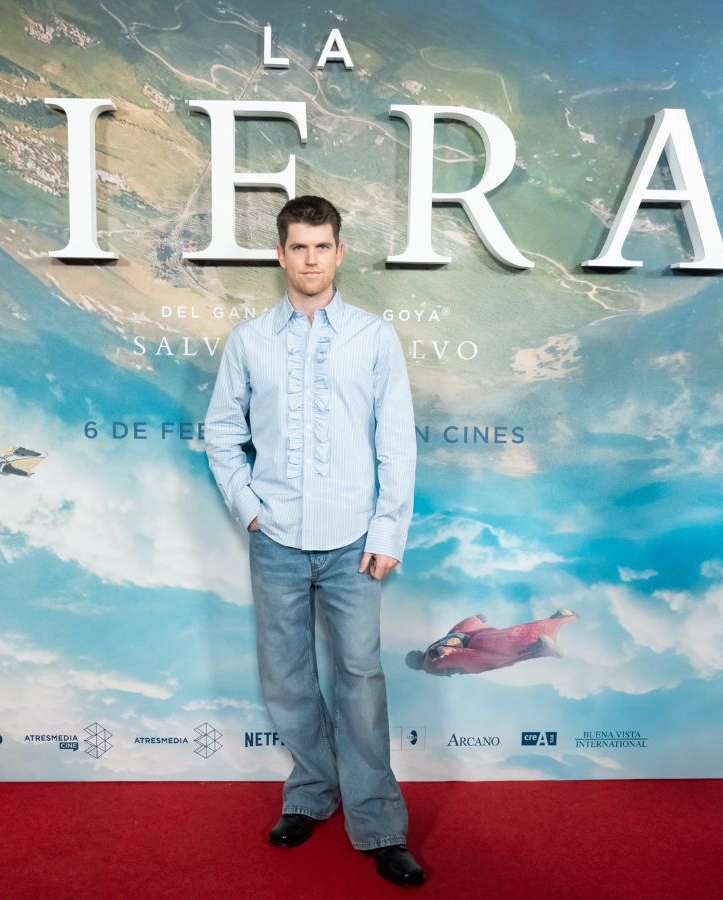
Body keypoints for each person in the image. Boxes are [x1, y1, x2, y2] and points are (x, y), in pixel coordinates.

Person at [204, 196, 423, 887]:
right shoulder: (249, 341)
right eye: (297, 247)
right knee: (288, 678)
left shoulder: (373, 336)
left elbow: (396, 442)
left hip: (354, 540)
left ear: (338, 252)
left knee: (360, 679)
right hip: (276, 538)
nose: (309, 259)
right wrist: (250, 509)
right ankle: (310, 795)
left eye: (321, 247)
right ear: (280, 254)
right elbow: (219, 432)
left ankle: (379, 826)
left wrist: (389, 529)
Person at [405, 610, 579, 676]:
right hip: (469, 637)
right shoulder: (428, 656)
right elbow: (454, 634)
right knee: (505, 638)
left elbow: (443, 648)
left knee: (503, 655)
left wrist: (443, 652)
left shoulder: (429, 662)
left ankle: (539, 646)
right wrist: (474, 619)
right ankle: (555, 620)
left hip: (468, 651)